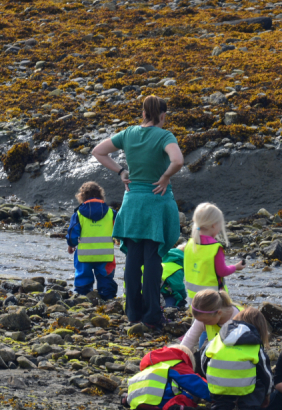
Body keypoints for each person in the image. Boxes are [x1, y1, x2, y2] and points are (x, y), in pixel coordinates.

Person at [92, 96, 184, 329]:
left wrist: (121, 171)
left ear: (143, 113)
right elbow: (178, 160)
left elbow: (98, 151)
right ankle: (152, 315)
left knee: (133, 259)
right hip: (156, 201)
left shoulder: (128, 134)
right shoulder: (165, 136)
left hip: (132, 201)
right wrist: (165, 177)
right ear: (163, 115)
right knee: (153, 260)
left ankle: (133, 313)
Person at [201, 307, 272, 410]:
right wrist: (267, 393)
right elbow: (266, 373)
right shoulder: (254, 343)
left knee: (223, 381)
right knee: (257, 381)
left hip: (218, 383)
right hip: (244, 385)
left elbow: (204, 359)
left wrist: (209, 376)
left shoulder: (219, 337)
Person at [65, 181, 117, 300]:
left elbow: (73, 232)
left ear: (82, 196)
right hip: (105, 255)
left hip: (84, 255)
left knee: (83, 278)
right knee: (105, 279)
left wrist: (71, 244)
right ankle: (107, 298)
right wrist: (119, 240)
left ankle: (82, 297)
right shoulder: (110, 213)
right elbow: (119, 229)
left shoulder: (79, 213)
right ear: (100, 195)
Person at [123, 344, 210, 410]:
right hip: (160, 403)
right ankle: (178, 409)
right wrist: (216, 395)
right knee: (185, 398)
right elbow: (196, 383)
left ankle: (126, 399)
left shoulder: (155, 365)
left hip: (136, 399)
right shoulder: (178, 363)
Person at [183, 202, 244, 299]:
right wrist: (235, 267)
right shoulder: (215, 247)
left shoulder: (190, 243)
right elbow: (222, 271)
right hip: (212, 300)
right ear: (214, 226)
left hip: (193, 299)